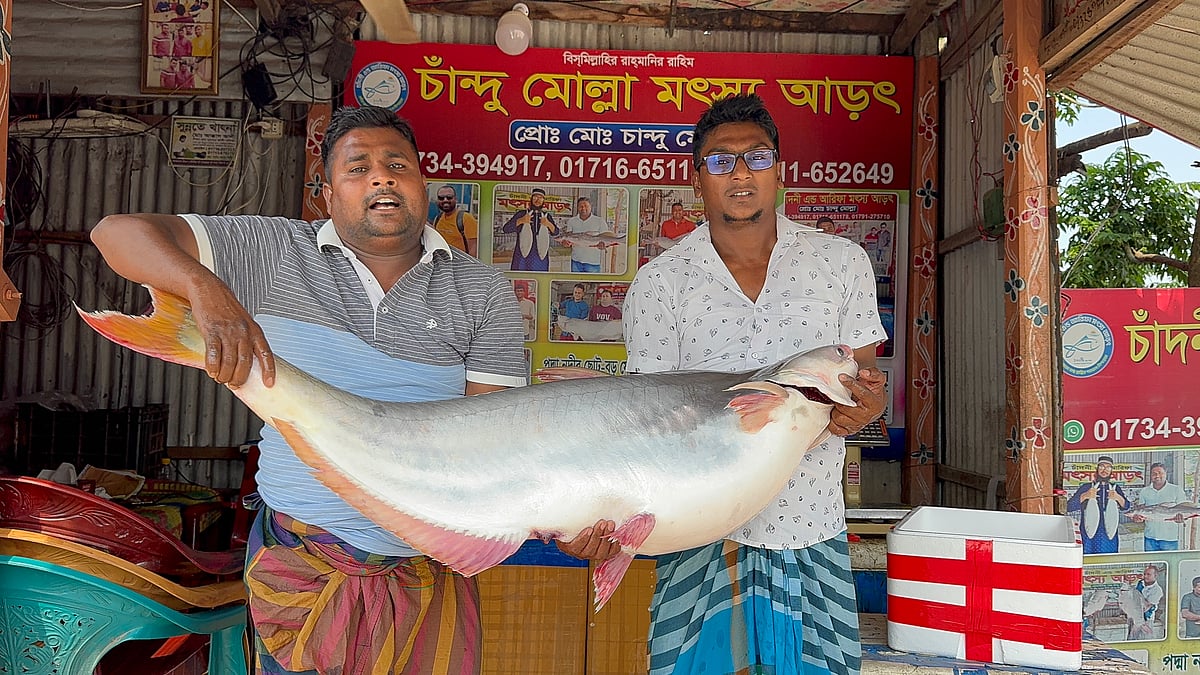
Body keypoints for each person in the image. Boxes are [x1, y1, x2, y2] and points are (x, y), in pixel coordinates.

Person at [91, 105, 604, 675]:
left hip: (427, 569)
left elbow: (494, 442)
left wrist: (564, 521)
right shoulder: (273, 251)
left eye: (397, 165)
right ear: (328, 194)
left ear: (423, 183)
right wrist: (205, 289)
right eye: (358, 168)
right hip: (301, 560)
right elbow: (115, 233)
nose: (381, 178)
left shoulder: (480, 289)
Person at [563, 94, 887, 675]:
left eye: (757, 157)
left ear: (779, 170)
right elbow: (648, 425)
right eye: (720, 161)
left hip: (809, 524)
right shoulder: (662, 283)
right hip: (699, 530)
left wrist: (864, 405)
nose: (740, 173)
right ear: (697, 179)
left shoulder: (841, 263)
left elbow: (862, 383)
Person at [1067, 455, 1129, 554]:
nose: (1104, 470)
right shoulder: (1086, 487)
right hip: (1088, 535)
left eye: (1108, 467)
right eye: (1101, 466)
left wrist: (1118, 497)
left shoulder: (1116, 488)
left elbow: (1126, 506)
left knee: (1108, 559)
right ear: (1097, 469)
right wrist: (1085, 495)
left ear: (1111, 471)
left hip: (1109, 536)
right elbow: (1069, 506)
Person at [1131, 462, 1190, 551]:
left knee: (1169, 560)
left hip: (1170, 538)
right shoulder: (1144, 491)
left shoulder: (1176, 489)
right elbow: (1141, 510)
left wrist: (1182, 518)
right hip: (1150, 537)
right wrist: (1137, 518)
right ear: (1150, 475)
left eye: (1160, 473)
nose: (1157, 476)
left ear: (1165, 474)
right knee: (1150, 560)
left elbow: (1184, 508)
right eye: (1154, 473)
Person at [502, 187, 558, 271]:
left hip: (540, 255)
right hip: (522, 255)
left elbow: (556, 232)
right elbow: (506, 229)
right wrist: (521, 220)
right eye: (535, 197)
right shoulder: (521, 214)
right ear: (531, 199)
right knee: (520, 277)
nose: (537, 200)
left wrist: (548, 224)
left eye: (540, 198)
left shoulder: (547, 216)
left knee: (539, 277)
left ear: (543, 201)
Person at [559, 196, 616, 273]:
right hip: (576, 260)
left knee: (591, 281)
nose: (583, 208)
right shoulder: (572, 221)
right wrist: (565, 243)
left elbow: (606, 239)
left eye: (586, 206)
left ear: (590, 207)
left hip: (593, 262)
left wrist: (604, 245)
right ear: (577, 208)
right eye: (581, 206)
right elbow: (568, 239)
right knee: (576, 280)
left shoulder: (600, 221)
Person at [431, 185, 479, 256]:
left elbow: (473, 249)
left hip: (460, 261)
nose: (445, 200)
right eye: (441, 198)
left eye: (449, 197)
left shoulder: (466, 219)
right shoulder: (437, 218)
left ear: (456, 199)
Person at [1132, 564, 1165, 639]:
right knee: (1131, 640)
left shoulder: (1157, 590)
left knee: (1144, 640)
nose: (1145, 576)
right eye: (1144, 574)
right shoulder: (1139, 584)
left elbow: (1146, 607)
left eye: (1148, 574)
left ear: (1155, 575)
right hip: (1133, 618)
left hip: (1146, 619)